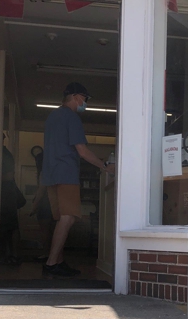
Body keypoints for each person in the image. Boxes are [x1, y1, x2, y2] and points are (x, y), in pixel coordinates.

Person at [41, 82, 115, 277]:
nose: (85, 103)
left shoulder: (52, 117)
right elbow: (82, 151)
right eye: (85, 98)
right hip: (66, 173)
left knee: (60, 219)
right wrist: (104, 166)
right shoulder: (71, 117)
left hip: (50, 174)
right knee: (68, 218)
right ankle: (51, 264)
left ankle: (59, 260)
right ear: (75, 97)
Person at [0, 144, 26, 265]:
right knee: (9, 226)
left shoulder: (4, 155)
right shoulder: (4, 154)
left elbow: (9, 176)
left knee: (11, 226)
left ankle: (13, 255)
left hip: (7, 195)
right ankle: (9, 255)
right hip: (6, 195)